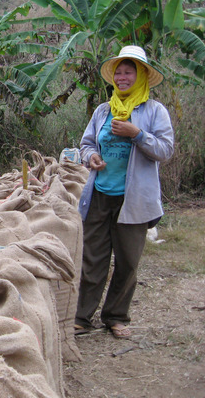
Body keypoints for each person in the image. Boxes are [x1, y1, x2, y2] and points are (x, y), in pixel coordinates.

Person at [75, 46, 174, 339]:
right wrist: (91, 157)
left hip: (134, 199)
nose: (122, 77)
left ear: (141, 74)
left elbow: (165, 149)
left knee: (128, 261)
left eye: (128, 71)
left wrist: (137, 134)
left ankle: (116, 316)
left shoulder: (154, 111)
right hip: (100, 194)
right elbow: (86, 144)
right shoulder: (103, 110)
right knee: (92, 258)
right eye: (118, 72)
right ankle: (82, 316)